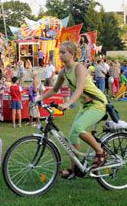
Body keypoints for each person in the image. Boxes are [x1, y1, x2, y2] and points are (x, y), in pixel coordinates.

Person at [42, 40, 108, 176]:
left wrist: (67, 104)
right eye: (59, 52)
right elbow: (54, 90)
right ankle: (74, 168)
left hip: (98, 103)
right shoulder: (63, 72)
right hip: (86, 106)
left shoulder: (79, 68)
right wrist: (38, 99)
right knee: (73, 134)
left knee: (78, 128)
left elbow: (79, 90)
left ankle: (101, 152)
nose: (60, 55)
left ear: (72, 54)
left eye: (63, 52)